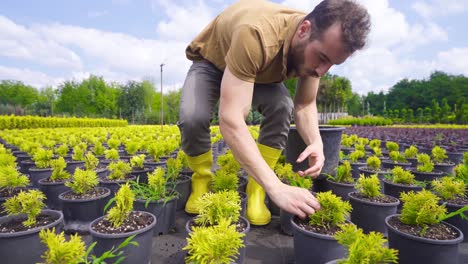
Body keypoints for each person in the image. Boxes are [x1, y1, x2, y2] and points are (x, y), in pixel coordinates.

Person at [177, 0, 371, 225]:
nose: (321, 70)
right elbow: (231, 120)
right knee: (192, 116)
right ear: (304, 30)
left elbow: (305, 104)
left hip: (256, 70)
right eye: (322, 58)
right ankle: (202, 179)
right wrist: (276, 186)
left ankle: (256, 188)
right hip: (213, 61)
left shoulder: (317, 47)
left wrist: (315, 141)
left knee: (282, 106)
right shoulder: (257, 34)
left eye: (332, 64)